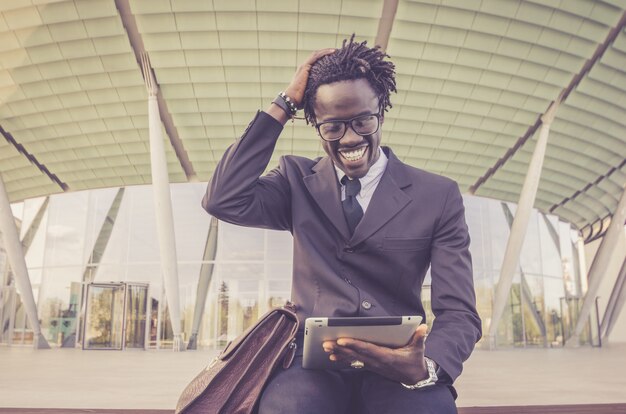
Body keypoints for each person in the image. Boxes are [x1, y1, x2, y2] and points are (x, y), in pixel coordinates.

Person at [203, 36, 482, 414]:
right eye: (332, 127)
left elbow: (460, 312)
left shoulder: (438, 196)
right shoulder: (294, 181)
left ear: (381, 111)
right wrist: (284, 104)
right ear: (315, 124)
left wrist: (427, 366)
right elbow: (223, 198)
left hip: (398, 364)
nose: (350, 138)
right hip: (308, 368)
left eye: (363, 120)